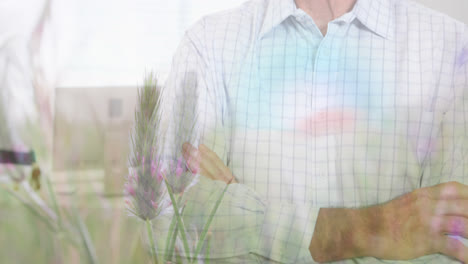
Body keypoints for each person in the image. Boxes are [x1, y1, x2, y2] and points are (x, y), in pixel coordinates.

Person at [160, 0, 468, 262]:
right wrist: (370, 229)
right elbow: (171, 228)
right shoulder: (208, 46)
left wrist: (249, 217)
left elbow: (456, 247)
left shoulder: (454, 49)